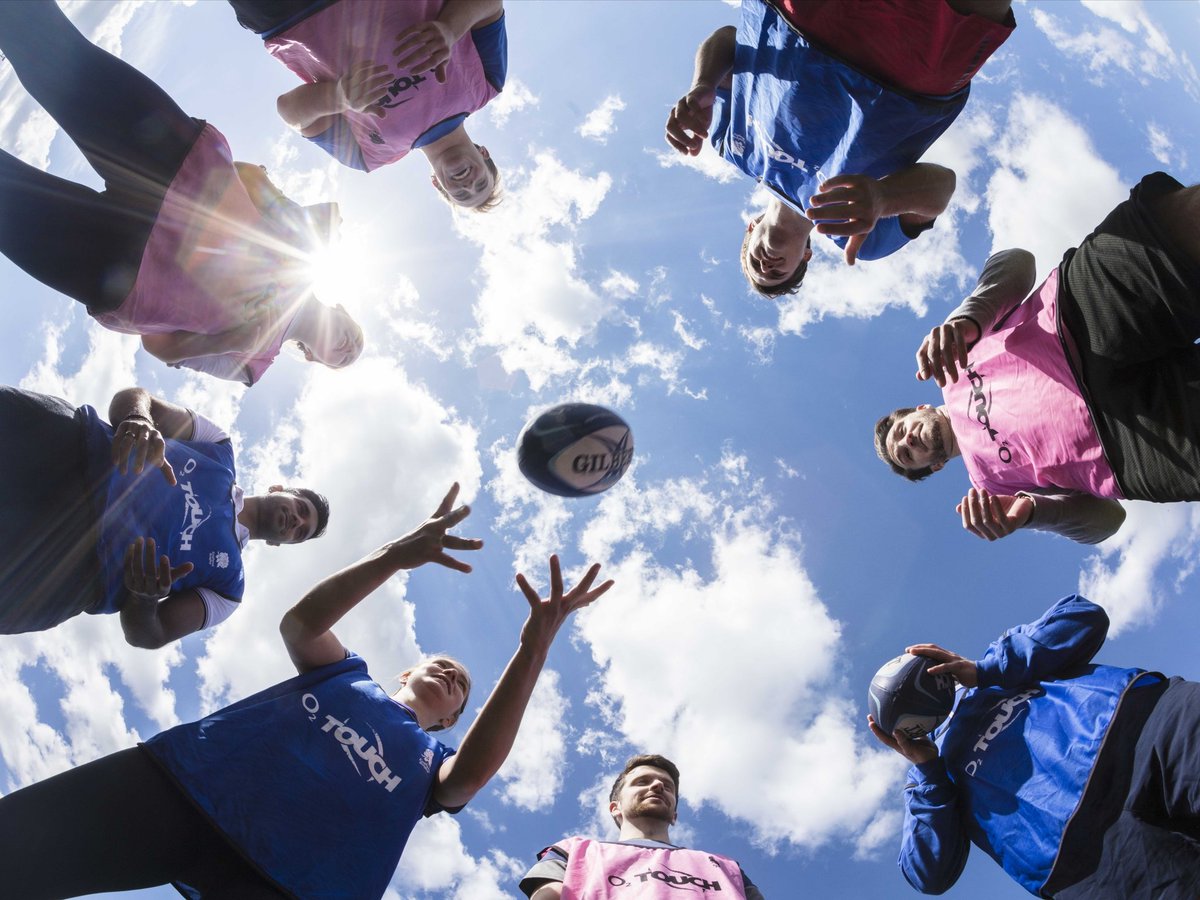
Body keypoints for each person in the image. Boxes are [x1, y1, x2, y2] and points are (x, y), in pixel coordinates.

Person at [0, 483, 613, 898]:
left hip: (292, 887)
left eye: (462, 688)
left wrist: (533, 646)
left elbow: (470, 779)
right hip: (186, 785)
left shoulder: (435, 765)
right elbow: (301, 624)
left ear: (451, 720)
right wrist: (395, 555)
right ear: (406, 672)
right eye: (445, 664)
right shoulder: (347, 673)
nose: (453, 676)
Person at [0, 1, 363, 386]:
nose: (350, 349)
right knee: (53, 52)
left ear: (312, 358)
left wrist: (234, 339)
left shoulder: (251, 365)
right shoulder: (309, 254)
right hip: (176, 166)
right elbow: (248, 178)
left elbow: (158, 346)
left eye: (342, 360)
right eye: (357, 339)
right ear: (342, 309)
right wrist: (295, 216)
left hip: (124, 274)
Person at [874, 172, 1200, 546]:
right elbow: (1108, 520)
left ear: (918, 408)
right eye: (907, 456)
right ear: (933, 465)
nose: (908, 442)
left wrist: (968, 319)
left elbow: (1017, 261)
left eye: (902, 431)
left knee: (1182, 225)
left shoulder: (949, 359)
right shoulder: (992, 489)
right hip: (1126, 446)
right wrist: (1032, 513)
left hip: (1077, 319)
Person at [665, 0, 1014, 296]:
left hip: (803, 18)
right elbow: (942, 186)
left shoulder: (732, 146)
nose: (766, 267)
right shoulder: (859, 234)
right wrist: (882, 198)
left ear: (750, 228)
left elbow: (729, 39)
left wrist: (702, 86)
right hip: (912, 66)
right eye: (776, 274)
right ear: (806, 256)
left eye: (754, 265)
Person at [868, 594, 1200, 898]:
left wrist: (986, 670)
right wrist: (928, 771)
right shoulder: (934, 776)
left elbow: (1085, 615)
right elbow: (927, 874)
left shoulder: (997, 665)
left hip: (1146, 728)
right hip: (1093, 864)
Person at [0, 384, 329, 647]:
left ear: (278, 544)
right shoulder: (219, 445)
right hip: (73, 448)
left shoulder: (228, 590)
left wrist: (144, 597)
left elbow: (149, 635)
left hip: (69, 568)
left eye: (301, 532)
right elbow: (137, 399)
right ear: (279, 488)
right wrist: (139, 419)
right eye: (301, 509)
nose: (297, 522)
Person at [229, 0, 506, 211]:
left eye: (461, 195)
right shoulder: (487, 85)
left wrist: (339, 97)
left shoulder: (369, 156)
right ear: (484, 154)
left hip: (285, 14)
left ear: (436, 182)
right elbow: (491, 4)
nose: (468, 185)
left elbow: (289, 111)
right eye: (481, 183)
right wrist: (449, 29)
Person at [519, 753, 766, 899]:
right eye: (643, 781)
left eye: (667, 786)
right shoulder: (573, 851)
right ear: (614, 807)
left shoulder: (726, 868)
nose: (657, 786)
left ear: (675, 815)